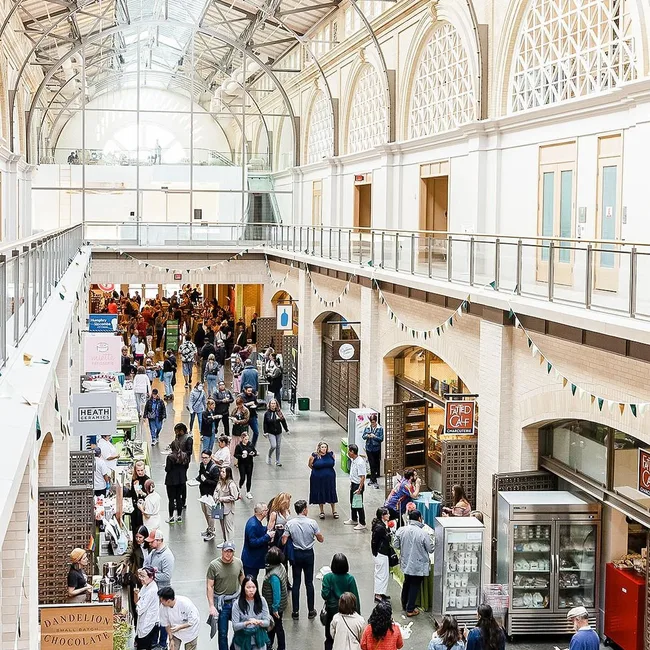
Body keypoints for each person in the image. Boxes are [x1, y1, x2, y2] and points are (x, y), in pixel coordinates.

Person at [283, 499, 324, 620]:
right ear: (305, 509)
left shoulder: (290, 523)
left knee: (296, 582)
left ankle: (295, 611)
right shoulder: (312, 523)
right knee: (309, 582)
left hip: (296, 554)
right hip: (308, 554)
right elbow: (320, 539)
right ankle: (311, 610)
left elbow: (284, 540)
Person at [393, 510, 434, 617]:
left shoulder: (401, 530)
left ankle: (404, 603)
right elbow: (430, 549)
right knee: (414, 585)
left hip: (405, 563)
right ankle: (410, 609)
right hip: (418, 565)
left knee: (407, 582)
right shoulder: (423, 533)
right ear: (419, 518)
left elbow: (396, 545)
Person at [206, 542, 245, 650]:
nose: (228, 554)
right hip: (221, 604)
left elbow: (243, 580)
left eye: (230, 551)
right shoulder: (214, 565)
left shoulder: (238, 563)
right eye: (226, 551)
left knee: (241, 629)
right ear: (222, 551)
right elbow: (209, 586)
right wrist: (211, 605)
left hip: (236, 601)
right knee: (223, 634)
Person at [322, 554, 361, 650]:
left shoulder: (327, 577)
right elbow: (355, 597)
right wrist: (358, 614)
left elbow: (325, 595)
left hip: (331, 611)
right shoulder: (350, 579)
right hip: (348, 612)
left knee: (329, 638)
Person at [231, 575, 271, 650]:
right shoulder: (237, 604)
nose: (251, 590)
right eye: (248, 587)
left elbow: (267, 622)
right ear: (243, 588)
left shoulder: (262, 601)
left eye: (253, 587)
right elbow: (235, 626)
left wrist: (258, 622)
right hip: (242, 639)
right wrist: (246, 623)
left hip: (259, 638)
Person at [262, 547, 289, 650]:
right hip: (281, 603)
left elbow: (276, 593)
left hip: (275, 606)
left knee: (277, 626)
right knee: (274, 627)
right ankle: (270, 645)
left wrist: (275, 608)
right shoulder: (280, 566)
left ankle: (279, 647)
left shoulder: (274, 576)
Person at [242, 503, 274, 579]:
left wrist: (267, 529)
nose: (267, 511)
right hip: (251, 562)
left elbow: (260, 530)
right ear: (262, 512)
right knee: (250, 583)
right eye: (266, 510)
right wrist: (267, 536)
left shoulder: (255, 521)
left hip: (253, 560)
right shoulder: (253, 525)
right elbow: (253, 542)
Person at [125, 526, 150, 625]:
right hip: (137, 579)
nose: (138, 539)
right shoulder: (133, 546)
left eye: (140, 537)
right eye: (137, 537)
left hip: (148, 578)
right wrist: (123, 563)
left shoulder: (150, 547)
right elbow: (127, 554)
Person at [309, 442, 339, 519]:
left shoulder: (331, 454)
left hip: (330, 477)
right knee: (320, 491)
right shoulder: (314, 455)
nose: (324, 449)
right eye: (322, 447)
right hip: (318, 478)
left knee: (331, 491)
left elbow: (333, 463)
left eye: (325, 447)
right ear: (319, 448)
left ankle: (334, 511)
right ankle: (321, 511)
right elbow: (310, 464)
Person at [197, 449, 221, 542]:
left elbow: (215, 482)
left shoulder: (214, 468)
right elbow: (200, 475)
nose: (204, 460)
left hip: (210, 495)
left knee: (210, 514)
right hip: (203, 493)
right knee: (205, 512)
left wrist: (205, 480)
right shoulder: (202, 465)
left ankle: (212, 531)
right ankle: (209, 528)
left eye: (206, 458)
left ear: (210, 457)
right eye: (202, 458)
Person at [134, 567, 160, 650]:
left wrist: (137, 599)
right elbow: (137, 601)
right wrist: (136, 595)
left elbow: (140, 609)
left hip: (149, 623)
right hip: (144, 621)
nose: (141, 579)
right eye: (140, 576)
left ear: (151, 577)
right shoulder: (145, 586)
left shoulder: (152, 590)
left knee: (144, 646)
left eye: (143, 576)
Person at [371, 508, 393, 601]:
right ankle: (378, 594)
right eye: (386, 514)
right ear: (382, 516)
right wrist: (375, 552)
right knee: (381, 574)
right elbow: (375, 541)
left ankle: (381, 592)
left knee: (383, 574)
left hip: (382, 552)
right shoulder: (380, 528)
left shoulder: (382, 525)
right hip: (381, 553)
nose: (389, 515)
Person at [344, 444, 367, 531]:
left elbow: (362, 477)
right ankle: (354, 519)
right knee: (352, 502)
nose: (348, 453)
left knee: (358, 504)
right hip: (353, 484)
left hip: (358, 485)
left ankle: (362, 522)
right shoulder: (353, 459)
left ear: (352, 452)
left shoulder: (360, 462)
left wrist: (359, 489)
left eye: (348, 451)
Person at [164, 440, 188, 524]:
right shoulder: (185, 455)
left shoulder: (170, 457)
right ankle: (179, 516)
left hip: (171, 481)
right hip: (181, 480)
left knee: (171, 499)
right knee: (179, 498)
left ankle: (171, 517)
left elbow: (167, 469)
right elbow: (186, 466)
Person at [267, 492, 293, 566]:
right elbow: (269, 529)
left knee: (285, 560)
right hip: (277, 539)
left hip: (286, 538)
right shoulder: (274, 514)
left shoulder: (288, 511)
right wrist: (276, 527)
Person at [214, 466, 239, 544]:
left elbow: (234, 496)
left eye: (223, 472)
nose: (221, 473)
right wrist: (215, 496)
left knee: (228, 526)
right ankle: (225, 541)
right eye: (221, 471)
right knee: (222, 526)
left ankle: (230, 542)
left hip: (228, 509)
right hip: (219, 507)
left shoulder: (231, 484)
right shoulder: (220, 482)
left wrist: (222, 498)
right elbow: (216, 491)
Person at [263, 398, 288, 467]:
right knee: (273, 446)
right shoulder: (267, 413)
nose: (273, 405)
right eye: (272, 403)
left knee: (278, 446)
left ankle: (277, 461)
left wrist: (286, 429)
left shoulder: (279, 412)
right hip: (271, 432)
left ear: (276, 405)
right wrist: (265, 432)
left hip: (278, 432)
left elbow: (283, 420)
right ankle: (269, 455)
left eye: (274, 404)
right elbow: (266, 422)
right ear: (270, 405)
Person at [127, 461, 150, 533]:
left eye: (141, 470)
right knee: (134, 526)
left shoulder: (147, 481)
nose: (140, 472)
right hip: (134, 506)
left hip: (142, 508)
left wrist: (142, 493)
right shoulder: (134, 479)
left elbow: (150, 496)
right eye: (138, 470)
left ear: (144, 470)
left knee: (141, 527)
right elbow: (132, 492)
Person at [362, 414, 383, 488]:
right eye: (371, 422)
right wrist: (367, 436)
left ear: (376, 421)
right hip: (369, 448)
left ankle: (373, 479)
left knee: (376, 464)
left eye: (374, 422)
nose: (372, 424)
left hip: (376, 448)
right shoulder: (367, 427)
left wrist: (374, 437)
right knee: (371, 464)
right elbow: (363, 436)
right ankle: (373, 479)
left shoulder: (380, 428)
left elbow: (381, 439)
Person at [235, 431, 257, 499]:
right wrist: (241, 456)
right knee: (243, 477)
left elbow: (255, 451)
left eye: (247, 439)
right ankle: (240, 488)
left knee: (249, 478)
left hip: (249, 463)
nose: (247, 441)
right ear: (242, 439)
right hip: (242, 464)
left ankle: (248, 492)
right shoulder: (239, 446)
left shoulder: (250, 444)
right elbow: (235, 454)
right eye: (245, 439)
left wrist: (253, 453)